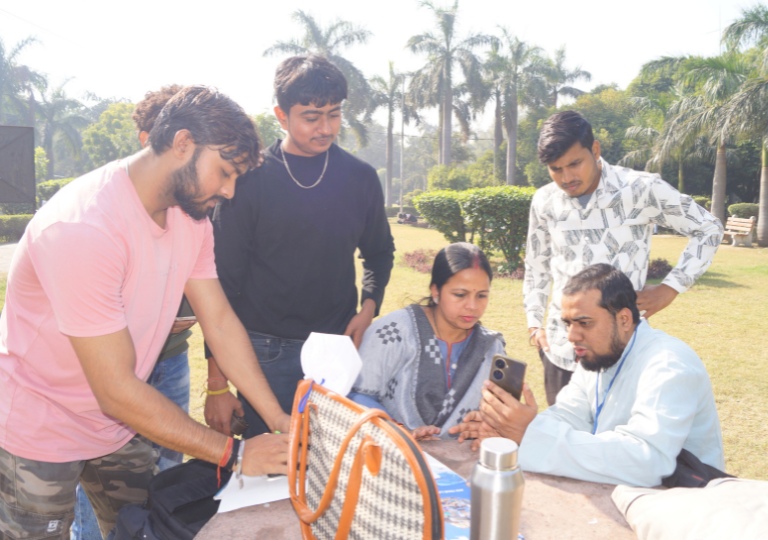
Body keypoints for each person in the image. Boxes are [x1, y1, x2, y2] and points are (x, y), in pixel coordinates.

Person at [0, 86, 291, 540]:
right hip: (41, 429)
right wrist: (235, 455)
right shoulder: (84, 227)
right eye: (224, 172)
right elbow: (116, 389)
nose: (230, 191)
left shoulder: (190, 217)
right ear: (182, 144)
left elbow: (219, 322)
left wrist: (278, 419)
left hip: (117, 425)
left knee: (149, 529)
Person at [205, 55, 395, 439]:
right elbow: (222, 282)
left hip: (335, 348)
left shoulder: (360, 179)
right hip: (262, 350)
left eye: (334, 114)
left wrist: (369, 305)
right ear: (281, 114)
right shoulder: (249, 178)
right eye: (311, 116)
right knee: (272, 465)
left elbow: (379, 250)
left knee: (332, 459)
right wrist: (216, 382)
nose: (325, 128)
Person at [451, 263, 724, 487]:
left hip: (684, 503)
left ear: (625, 320)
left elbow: (646, 462)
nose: (571, 336)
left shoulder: (668, 365)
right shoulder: (597, 353)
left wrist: (529, 433)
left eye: (584, 323)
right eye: (568, 323)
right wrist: (512, 428)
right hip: (619, 491)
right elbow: (569, 415)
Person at [524, 110, 723, 405]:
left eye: (574, 164)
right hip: (561, 348)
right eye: (556, 169)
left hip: (620, 350)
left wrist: (670, 289)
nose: (566, 178)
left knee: (615, 444)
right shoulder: (544, 200)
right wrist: (534, 324)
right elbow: (536, 264)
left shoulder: (640, 189)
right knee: (564, 440)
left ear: (595, 149)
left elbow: (708, 228)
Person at [71, 85, 196, 540]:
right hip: (112, 371)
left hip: (171, 358)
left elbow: (215, 303)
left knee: (164, 472)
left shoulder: (191, 212)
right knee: (98, 475)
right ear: (151, 139)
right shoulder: (102, 214)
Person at [349, 242, 506, 440]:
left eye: (482, 296)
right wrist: (398, 430)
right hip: (391, 455)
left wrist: (489, 426)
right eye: (460, 295)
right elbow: (355, 395)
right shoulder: (394, 332)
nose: (472, 306)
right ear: (436, 291)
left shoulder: (492, 349)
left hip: (463, 463)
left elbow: (503, 415)